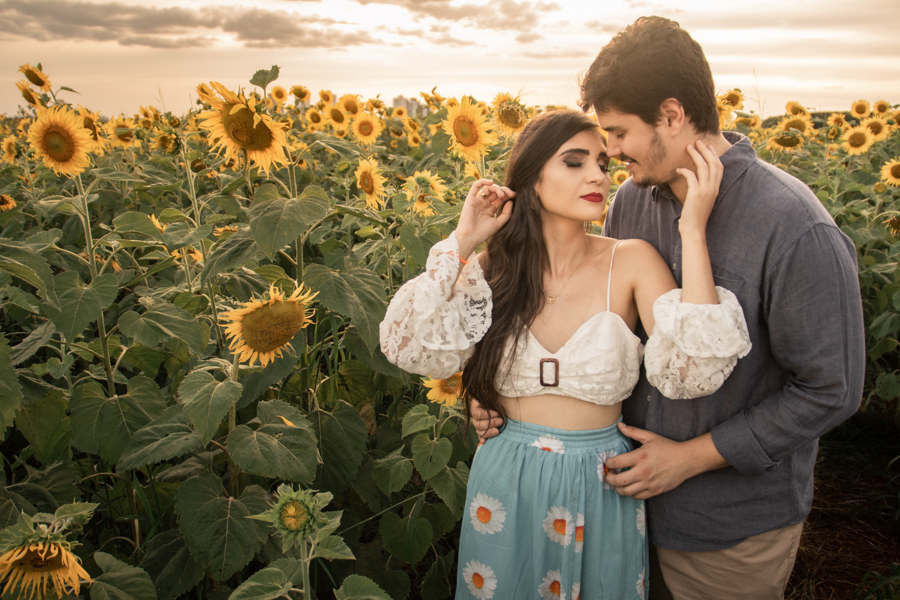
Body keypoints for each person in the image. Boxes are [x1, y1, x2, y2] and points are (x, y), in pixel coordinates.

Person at [472, 16, 866, 600]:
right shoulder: (630, 201)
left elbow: (832, 388)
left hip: (724, 521)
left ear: (674, 115)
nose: (610, 151)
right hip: (612, 503)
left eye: (619, 133)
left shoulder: (793, 225)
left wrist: (691, 459)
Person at [380, 108, 752, 599]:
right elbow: (408, 343)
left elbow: (696, 365)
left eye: (601, 161)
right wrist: (466, 238)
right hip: (506, 478)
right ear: (533, 179)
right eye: (574, 163)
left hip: (602, 483)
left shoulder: (632, 259)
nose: (598, 175)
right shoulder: (491, 271)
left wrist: (693, 227)